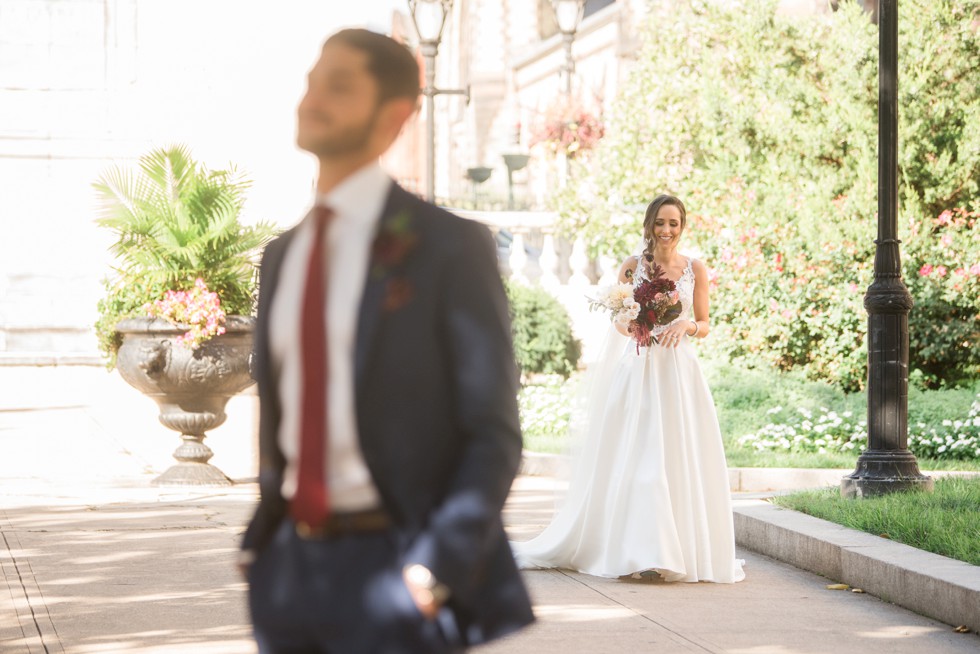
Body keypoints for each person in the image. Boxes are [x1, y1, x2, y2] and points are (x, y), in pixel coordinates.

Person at [239, 28, 534, 653]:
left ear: (395, 115)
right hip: (291, 577)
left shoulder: (449, 249)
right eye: (313, 80)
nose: (311, 98)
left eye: (339, 86)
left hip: (396, 572)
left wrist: (435, 569)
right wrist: (260, 547)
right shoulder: (281, 257)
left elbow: (493, 431)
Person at [511, 194, 745, 584]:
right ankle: (642, 554)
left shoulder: (695, 269)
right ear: (649, 225)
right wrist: (636, 323)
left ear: (682, 226)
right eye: (660, 223)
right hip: (637, 369)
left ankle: (673, 553)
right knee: (639, 462)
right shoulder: (632, 267)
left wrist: (683, 325)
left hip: (678, 374)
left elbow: (703, 323)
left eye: (674, 223)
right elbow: (617, 319)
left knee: (672, 457)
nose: (667, 230)